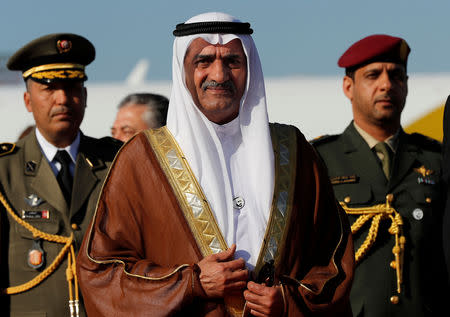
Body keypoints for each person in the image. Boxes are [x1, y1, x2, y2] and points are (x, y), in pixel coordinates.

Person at [77, 12, 354, 317]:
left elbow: (333, 258)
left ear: (250, 68)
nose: (219, 75)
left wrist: (290, 302)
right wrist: (189, 283)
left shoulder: (294, 150)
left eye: (233, 62)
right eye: (204, 61)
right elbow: (101, 272)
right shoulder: (141, 159)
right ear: (184, 70)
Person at [312, 34, 448, 316]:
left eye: (397, 76)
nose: (387, 85)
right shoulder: (320, 160)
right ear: (348, 87)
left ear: (407, 86)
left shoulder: (437, 159)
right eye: (373, 76)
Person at [0, 33, 122, 317]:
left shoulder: (117, 161)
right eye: (49, 87)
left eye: (72, 86)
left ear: (85, 96)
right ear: (28, 101)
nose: (63, 98)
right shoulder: (5, 170)